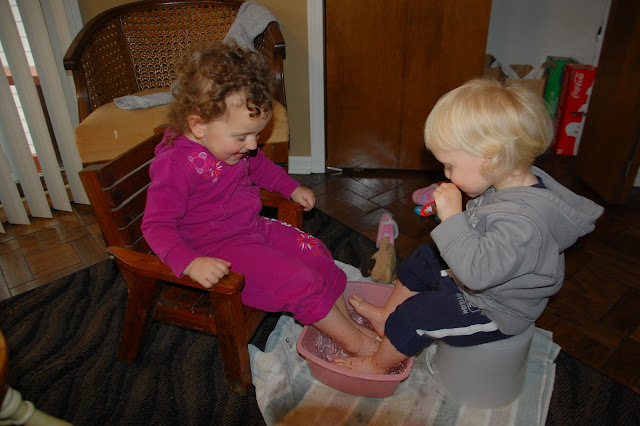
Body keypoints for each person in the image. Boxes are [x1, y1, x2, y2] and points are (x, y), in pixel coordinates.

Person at [334, 78, 604, 374]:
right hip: (481, 281)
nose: (446, 173)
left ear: (490, 159)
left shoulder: (524, 221)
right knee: (425, 258)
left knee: (415, 315)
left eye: (450, 166)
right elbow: (479, 233)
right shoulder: (505, 180)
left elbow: (477, 275)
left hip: (496, 307)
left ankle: (377, 364)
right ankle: (388, 316)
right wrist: (452, 215)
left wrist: (453, 218)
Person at [141, 41, 379, 357]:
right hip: (216, 251)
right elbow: (156, 225)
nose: (253, 145)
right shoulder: (175, 165)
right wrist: (191, 262)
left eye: (257, 134)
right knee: (299, 280)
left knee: (315, 252)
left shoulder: (231, 146)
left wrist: (290, 188)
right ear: (198, 126)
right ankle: (354, 342)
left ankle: (347, 326)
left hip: (251, 228)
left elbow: (260, 166)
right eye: (242, 136)